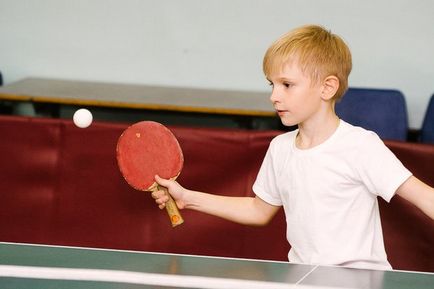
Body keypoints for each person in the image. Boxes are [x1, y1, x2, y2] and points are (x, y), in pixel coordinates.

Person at [152, 24, 434, 270]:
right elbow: (258, 210)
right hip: (304, 278)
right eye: (271, 84)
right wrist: (187, 198)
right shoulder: (280, 148)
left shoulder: (360, 145)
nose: (274, 96)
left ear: (327, 88)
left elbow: (424, 197)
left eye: (287, 85)